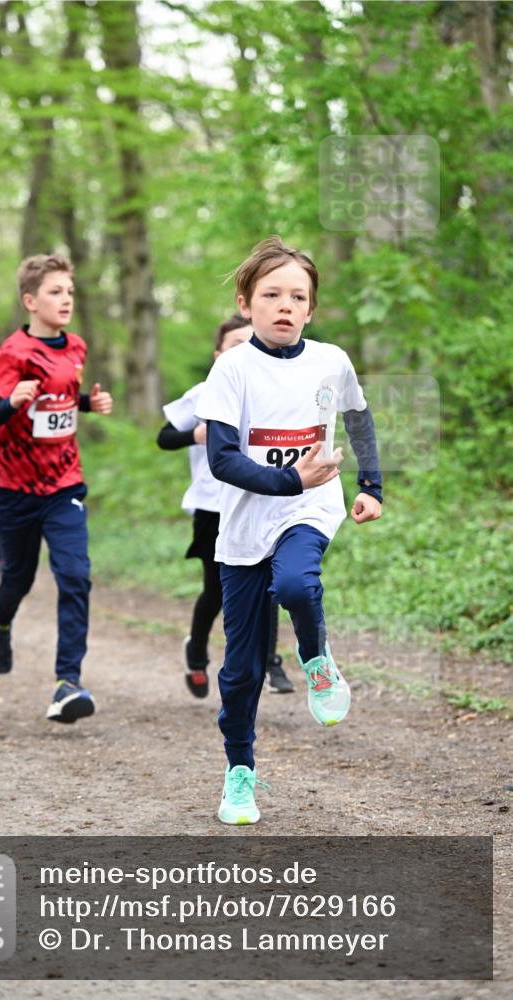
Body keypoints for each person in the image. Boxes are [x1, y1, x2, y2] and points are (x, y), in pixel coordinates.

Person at [196, 236, 383, 825]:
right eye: (271, 293)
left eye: (297, 296)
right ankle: (239, 775)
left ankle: (315, 659)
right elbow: (223, 460)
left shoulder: (331, 360)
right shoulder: (232, 367)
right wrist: (290, 481)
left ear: (311, 308)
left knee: (298, 585)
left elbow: (358, 417)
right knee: (241, 670)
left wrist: (371, 486)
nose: (285, 305)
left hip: (312, 507)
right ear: (246, 301)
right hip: (245, 524)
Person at [0, 253, 112, 725]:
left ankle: (67, 682)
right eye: (56, 292)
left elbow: (59, 402)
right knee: (19, 578)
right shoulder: (13, 352)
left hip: (64, 484)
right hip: (16, 488)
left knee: (75, 575)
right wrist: (10, 403)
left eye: (70, 292)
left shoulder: (75, 347)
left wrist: (88, 404)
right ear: (30, 300)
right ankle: (0, 616)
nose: (65, 300)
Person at [157, 314, 295, 698]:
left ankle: (270, 663)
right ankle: (197, 651)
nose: (246, 349)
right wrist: (195, 434)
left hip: (257, 502)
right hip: (211, 505)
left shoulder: (270, 392)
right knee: (216, 590)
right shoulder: (203, 393)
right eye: (236, 343)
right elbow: (164, 437)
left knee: (267, 584)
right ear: (218, 354)